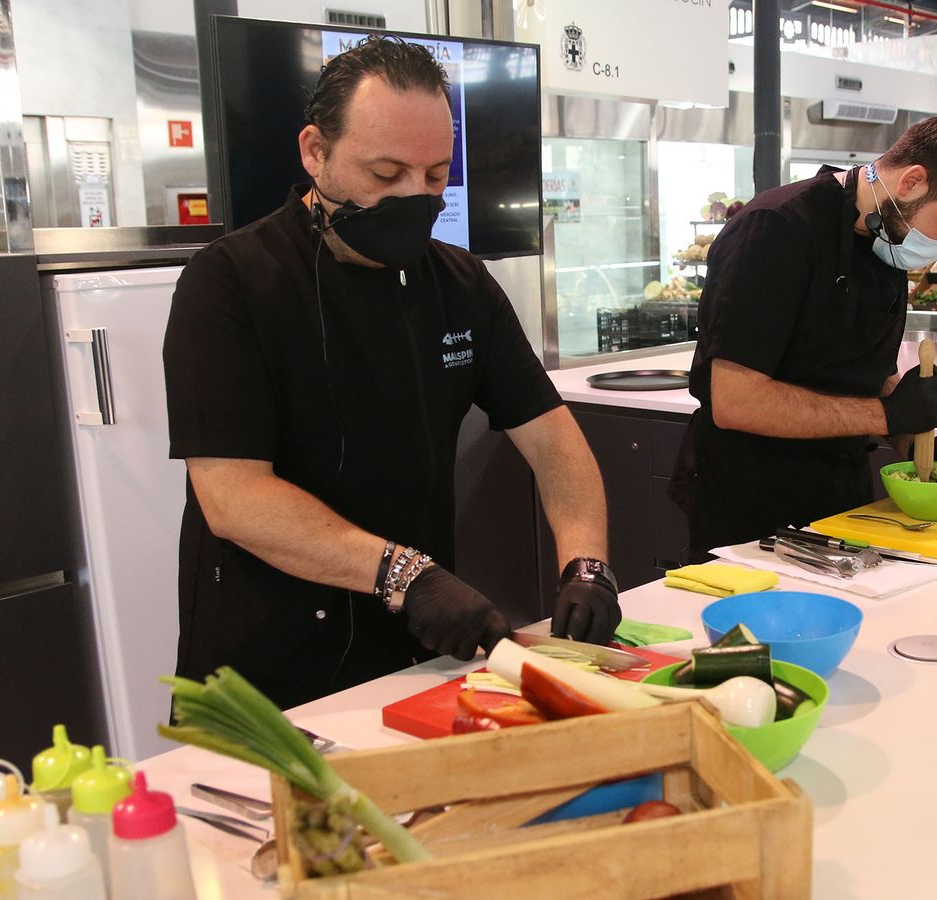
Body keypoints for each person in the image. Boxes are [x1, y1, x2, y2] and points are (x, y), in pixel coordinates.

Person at [163, 36, 619, 709]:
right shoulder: (231, 282)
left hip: (415, 649)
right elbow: (233, 497)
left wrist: (588, 563)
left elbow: (553, 440)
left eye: (435, 176)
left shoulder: (461, 284)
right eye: (385, 174)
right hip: (269, 668)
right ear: (315, 151)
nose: (414, 196)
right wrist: (407, 574)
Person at [671, 115, 937, 559]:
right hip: (749, 503)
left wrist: (919, 444)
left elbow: (867, 374)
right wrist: (888, 415)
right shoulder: (777, 228)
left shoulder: (886, 244)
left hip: (842, 500)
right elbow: (737, 400)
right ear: (912, 181)